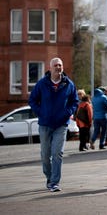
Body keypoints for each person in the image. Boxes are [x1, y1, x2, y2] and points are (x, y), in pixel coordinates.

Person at [28, 57, 79, 192]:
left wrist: (68, 112)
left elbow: (75, 101)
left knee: (57, 153)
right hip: (45, 124)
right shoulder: (42, 84)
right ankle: (49, 178)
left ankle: (54, 182)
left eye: (60, 65)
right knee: (45, 154)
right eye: (56, 65)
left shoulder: (68, 84)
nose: (58, 67)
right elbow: (32, 100)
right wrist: (41, 113)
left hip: (61, 125)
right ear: (50, 68)